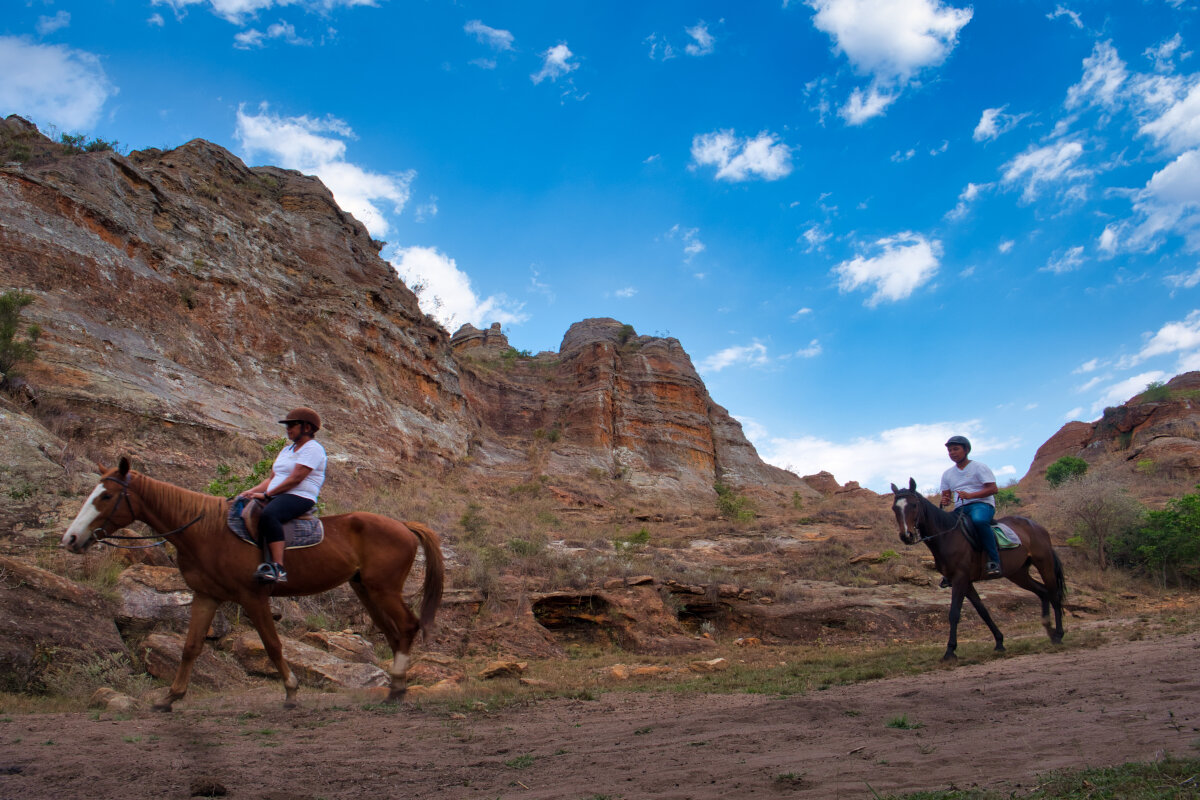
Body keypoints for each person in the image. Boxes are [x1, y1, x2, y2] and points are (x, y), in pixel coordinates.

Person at [239, 407, 327, 583]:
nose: (288, 429)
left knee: (270, 514)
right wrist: (251, 491)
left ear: (307, 428)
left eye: (293, 425)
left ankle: (278, 568)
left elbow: (296, 478)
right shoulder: (287, 451)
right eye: (287, 425)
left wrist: (266, 496)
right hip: (278, 494)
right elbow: (272, 478)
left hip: (300, 495)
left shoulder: (313, 448)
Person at [940, 435, 1001, 578]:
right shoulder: (947, 474)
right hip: (960, 508)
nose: (952, 453)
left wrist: (971, 496)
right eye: (949, 451)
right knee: (945, 528)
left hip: (981, 504)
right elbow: (946, 495)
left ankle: (994, 561)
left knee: (979, 521)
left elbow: (993, 489)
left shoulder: (979, 467)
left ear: (966, 450)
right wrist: (945, 500)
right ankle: (950, 568)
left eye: (956, 449)